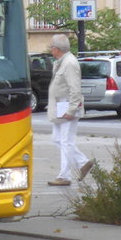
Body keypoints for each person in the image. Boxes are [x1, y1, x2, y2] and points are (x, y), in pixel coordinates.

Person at [46, 33, 95, 186]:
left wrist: (72, 109)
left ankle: (64, 176)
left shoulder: (69, 63)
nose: (50, 50)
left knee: (66, 141)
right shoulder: (61, 62)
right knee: (58, 139)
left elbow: (75, 89)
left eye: (51, 48)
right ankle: (82, 162)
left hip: (66, 107)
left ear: (56, 49)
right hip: (60, 107)